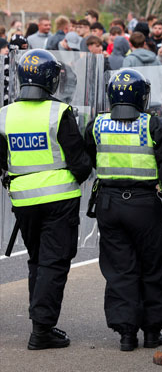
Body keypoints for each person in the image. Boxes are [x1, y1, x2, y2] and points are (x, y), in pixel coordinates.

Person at [83, 69, 162, 351]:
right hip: (144, 204)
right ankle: (152, 331)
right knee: (154, 266)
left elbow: (89, 157)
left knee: (120, 269)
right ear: (142, 96)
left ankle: (126, 334)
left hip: (109, 203)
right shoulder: (154, 125)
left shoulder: (97, 124)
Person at [0, 49, 91, 350]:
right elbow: (79, 162)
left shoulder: (5, 114)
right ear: (51, 80)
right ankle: (42, 329)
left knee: (37, 261)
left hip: (23, 200)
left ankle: (41, 322)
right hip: (59, 197)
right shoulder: (59, 112)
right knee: (53, 263)